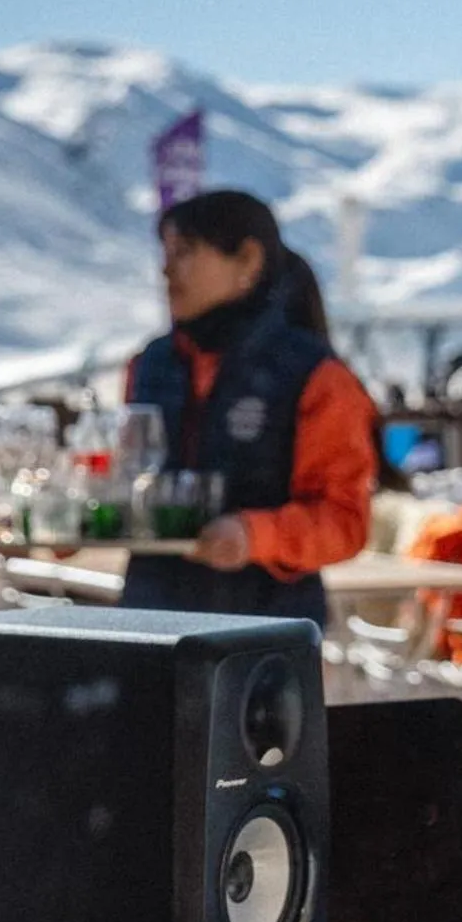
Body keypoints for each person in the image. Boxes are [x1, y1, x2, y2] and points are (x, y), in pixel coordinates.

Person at [120, 189, 380, 627]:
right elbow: (123, 479)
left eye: (185, 253)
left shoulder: (314, 376)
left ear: (247, 261)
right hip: (148, 619)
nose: (166, 271)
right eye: (164, 255)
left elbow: (345, 521)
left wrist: (254, 536)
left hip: (263, 633)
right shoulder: (149, 364)